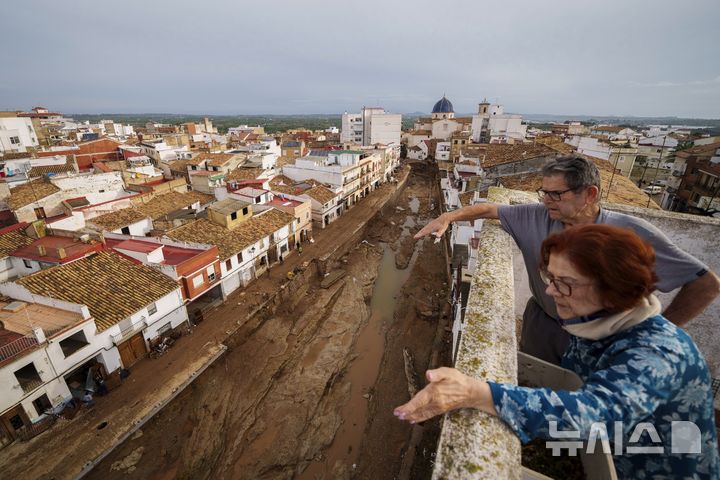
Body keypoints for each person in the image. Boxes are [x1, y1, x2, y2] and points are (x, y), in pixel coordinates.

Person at [395, 225, 719, 478]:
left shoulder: (660, 354)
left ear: (613, 290)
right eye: (550, 277)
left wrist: (477, 393)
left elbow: (594, 417)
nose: (551, 291)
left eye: (565, 283)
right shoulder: (593, 320)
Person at [415, 155, 720, 364]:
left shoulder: (630, 233)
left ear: (589, 194)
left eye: (556, 194)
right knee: (536, 382)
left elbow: (706, 284)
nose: (546, 200)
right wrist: (449, 216)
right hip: (543, 327)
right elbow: (489, 209)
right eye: (543, 192)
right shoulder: (536, 216)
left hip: (604, 340)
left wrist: (661, 329)